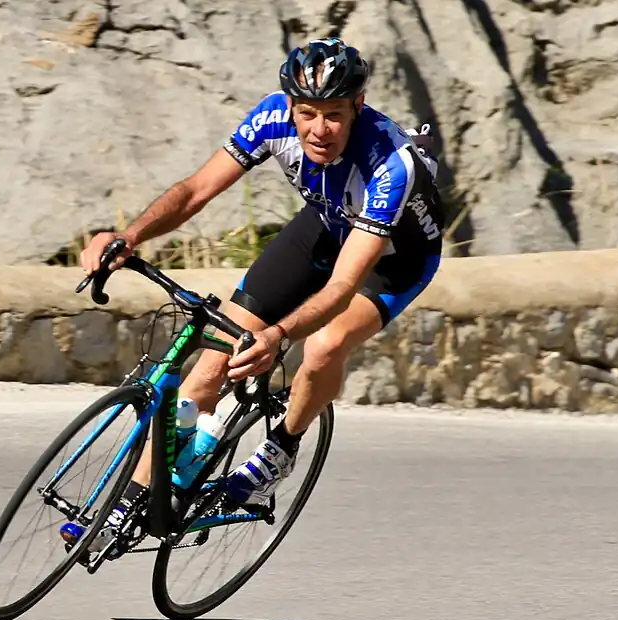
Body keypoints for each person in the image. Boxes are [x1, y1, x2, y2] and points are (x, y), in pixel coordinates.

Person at [65, 37, 446, 555]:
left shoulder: (390, 165)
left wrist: (278, 335)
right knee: (210, 366)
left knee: (324, 345)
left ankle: (282, 447)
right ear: (289, 105)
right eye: (307, 113)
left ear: (359, 105)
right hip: (327, 224)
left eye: (334, 115)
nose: (318, 129)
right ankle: (128, 504)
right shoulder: (271, 118)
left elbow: (342, 287)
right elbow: (196, 191)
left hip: (395, 258)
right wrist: (128, 237)